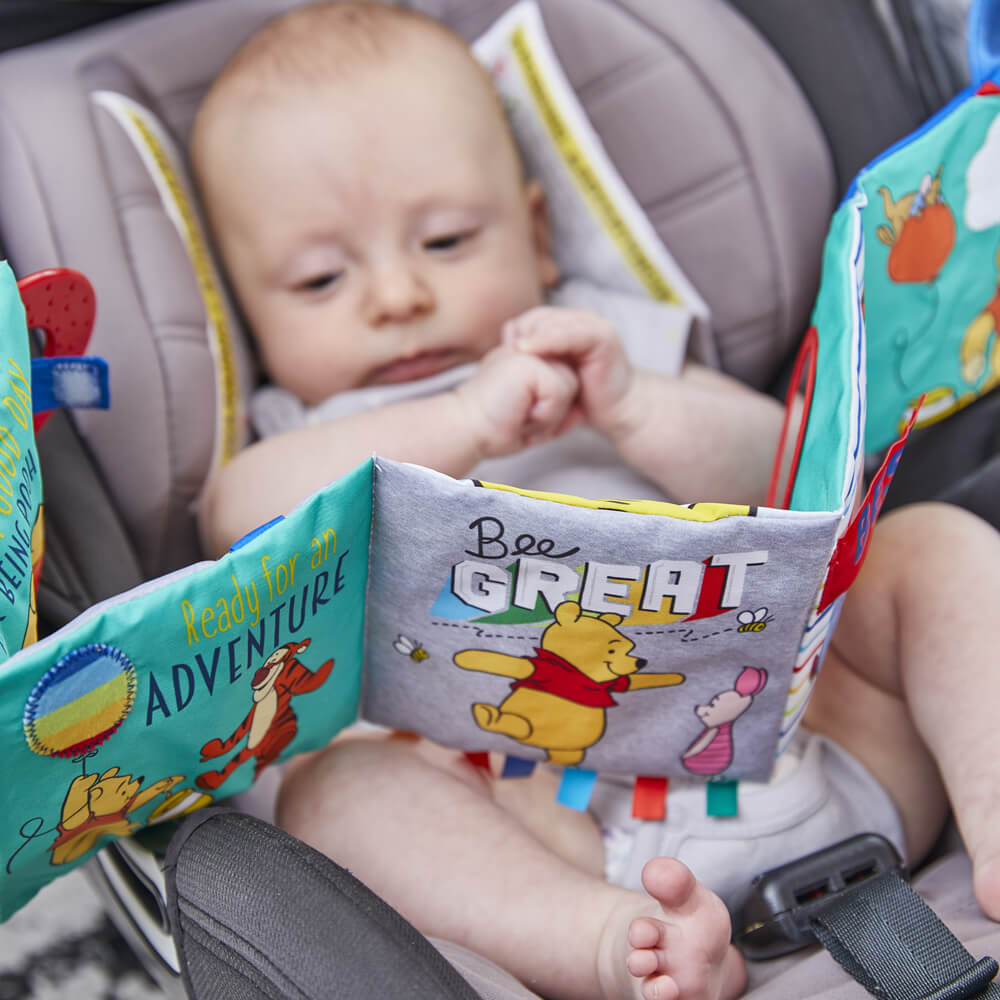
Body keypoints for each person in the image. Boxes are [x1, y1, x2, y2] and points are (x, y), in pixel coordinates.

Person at [190, 4, 1000, 999]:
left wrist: (633, 406)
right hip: (560, 826)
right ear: (250, 312)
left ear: (534, 232)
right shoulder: (305, 431)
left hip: (817, 731)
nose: (395, 294)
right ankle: (609, 945)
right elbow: (237, 516)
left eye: (445, 240)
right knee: (339, 792)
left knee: (927, 551)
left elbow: (790, 474)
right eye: (320, 279)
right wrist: (462, 419)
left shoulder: (603, 341)